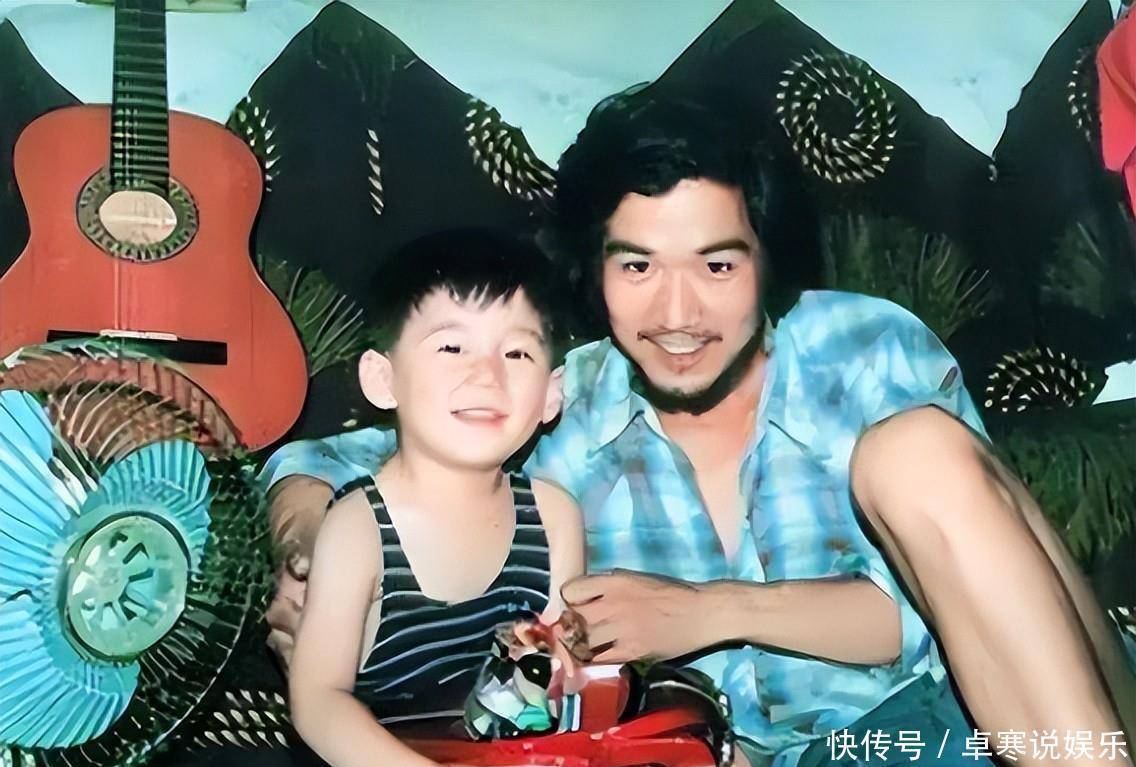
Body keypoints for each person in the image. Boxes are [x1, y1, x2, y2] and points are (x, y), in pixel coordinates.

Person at [263, 91, 1135, 767]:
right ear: (595, 273)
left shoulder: (865, 346)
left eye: (717, 265)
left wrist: (703, 611)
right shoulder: (553, 404)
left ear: (766, 262)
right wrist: (307, 549)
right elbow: (329, 459)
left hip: (985, 714)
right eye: (637, 266)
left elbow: (927, 617)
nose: (677, 313)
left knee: (916, 453)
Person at [286, 229, 571, 767]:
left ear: (551, 393)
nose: (486, 375)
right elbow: (318, 702)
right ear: (383, 378)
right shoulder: (359, 528)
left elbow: (555, 683)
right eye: (452, 347)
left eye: (516, 352)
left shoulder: (553, 517)